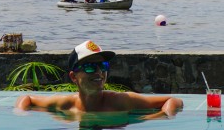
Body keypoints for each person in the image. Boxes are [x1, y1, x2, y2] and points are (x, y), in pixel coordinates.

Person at [15, 40, 184, 118]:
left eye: (103, 66)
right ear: (74, 77)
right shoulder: (65, 103)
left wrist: (161, 116)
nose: (99, 72)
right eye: (89, 67)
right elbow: (27, 98)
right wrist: (20, 113)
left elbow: (174, 100)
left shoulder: (121, 101)